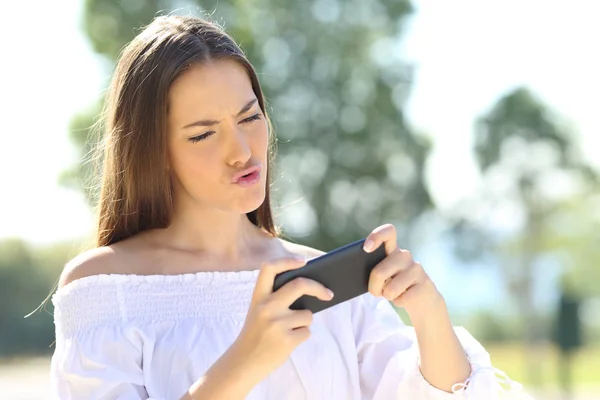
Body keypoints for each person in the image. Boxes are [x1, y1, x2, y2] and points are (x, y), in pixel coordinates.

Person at [50, 15, 527, 400]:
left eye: (250, 116)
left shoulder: (319, 280)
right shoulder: (106, 292)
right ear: (152, 151)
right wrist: (243, 363)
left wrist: (428, 314)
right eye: (202, 133)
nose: (241, 150)